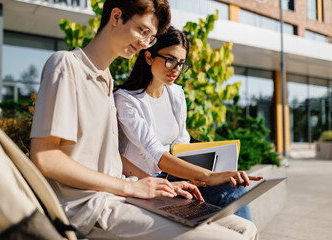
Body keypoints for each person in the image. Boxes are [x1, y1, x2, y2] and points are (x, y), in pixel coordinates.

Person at [30, 0, 258, 239]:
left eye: (149, 37)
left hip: (122, 195)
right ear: (116, 17)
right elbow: (46, 158)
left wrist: (157, 184)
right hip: (88, 207)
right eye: (143, 31)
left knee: (244, 228)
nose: (143, 43)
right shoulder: (67, 65)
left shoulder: (106, 80)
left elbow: (108, 156)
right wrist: (130, 186)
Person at [114, 26, 259, 221]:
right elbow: (156, 153)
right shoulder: (126, 100)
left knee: (233, 187)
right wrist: (207, 176)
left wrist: (208, 172)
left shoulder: (176, 93)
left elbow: (182, 146)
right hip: (148, 180)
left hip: (175, 176)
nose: (176, 69)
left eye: (181, 63)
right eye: (170, 60)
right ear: (148, 57)